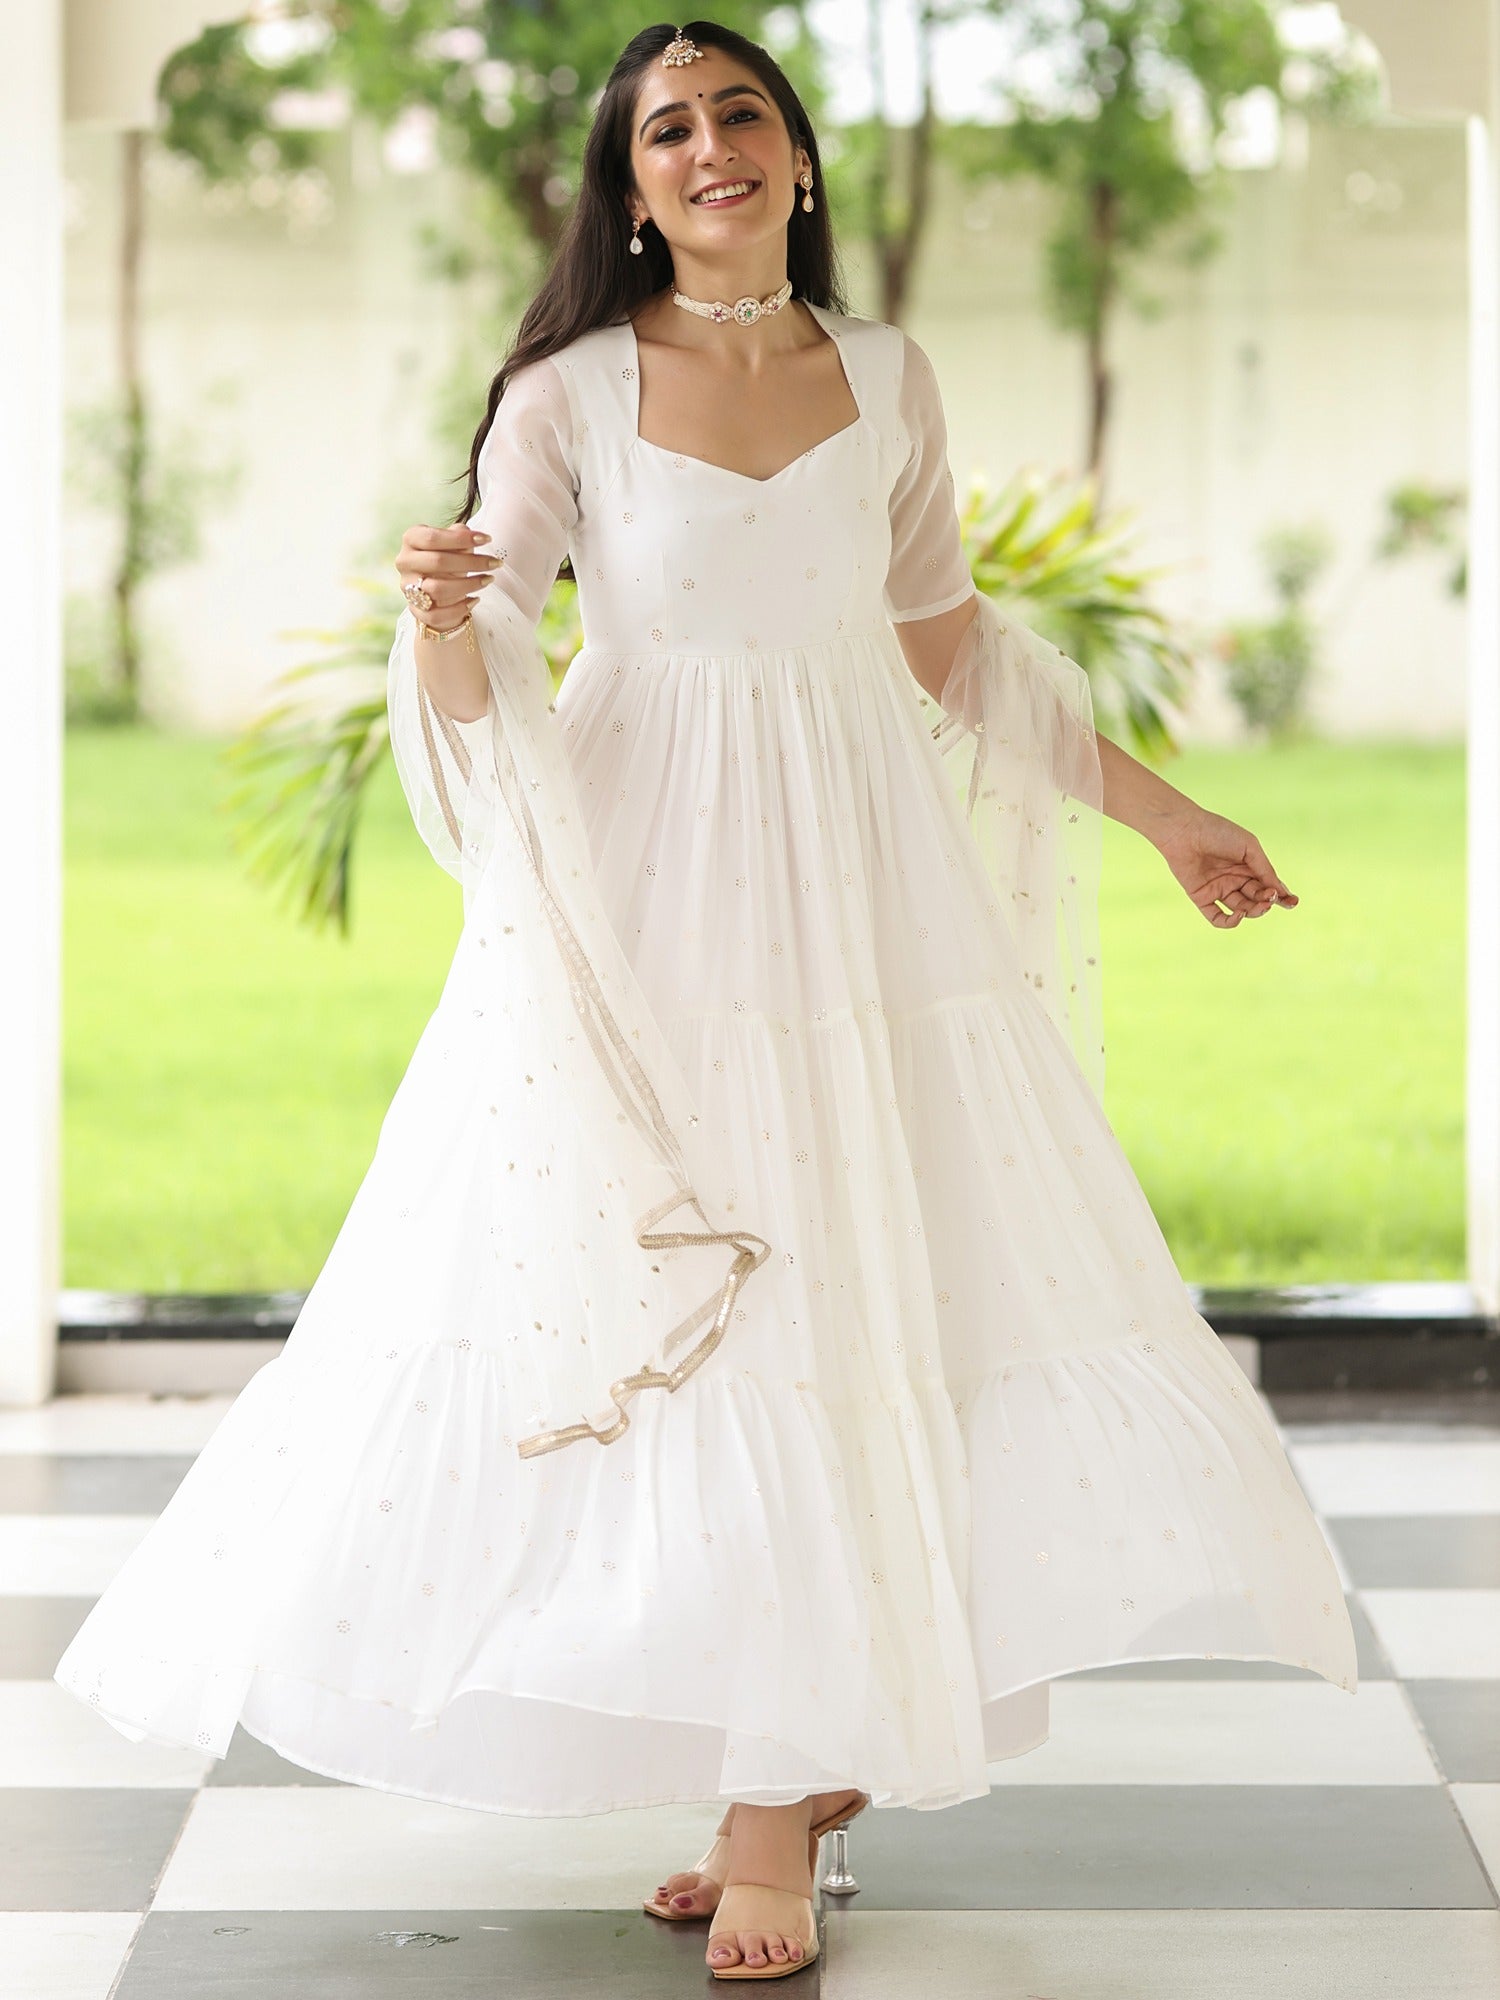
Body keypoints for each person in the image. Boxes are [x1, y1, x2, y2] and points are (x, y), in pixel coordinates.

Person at [55, 19, 1357, 1987]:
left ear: (797, 157)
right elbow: (495, 661)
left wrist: (1173, 818)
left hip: (862, 883)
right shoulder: (570, 389)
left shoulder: (890, 375)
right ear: (632, 185)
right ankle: (769, 1760)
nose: (709, 146)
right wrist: (441, 621)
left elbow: (947, 648)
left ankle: (781, 1787)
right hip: (651, 875)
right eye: (667, 129)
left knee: (856, 1277)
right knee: (697, 1293)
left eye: (740, 112)